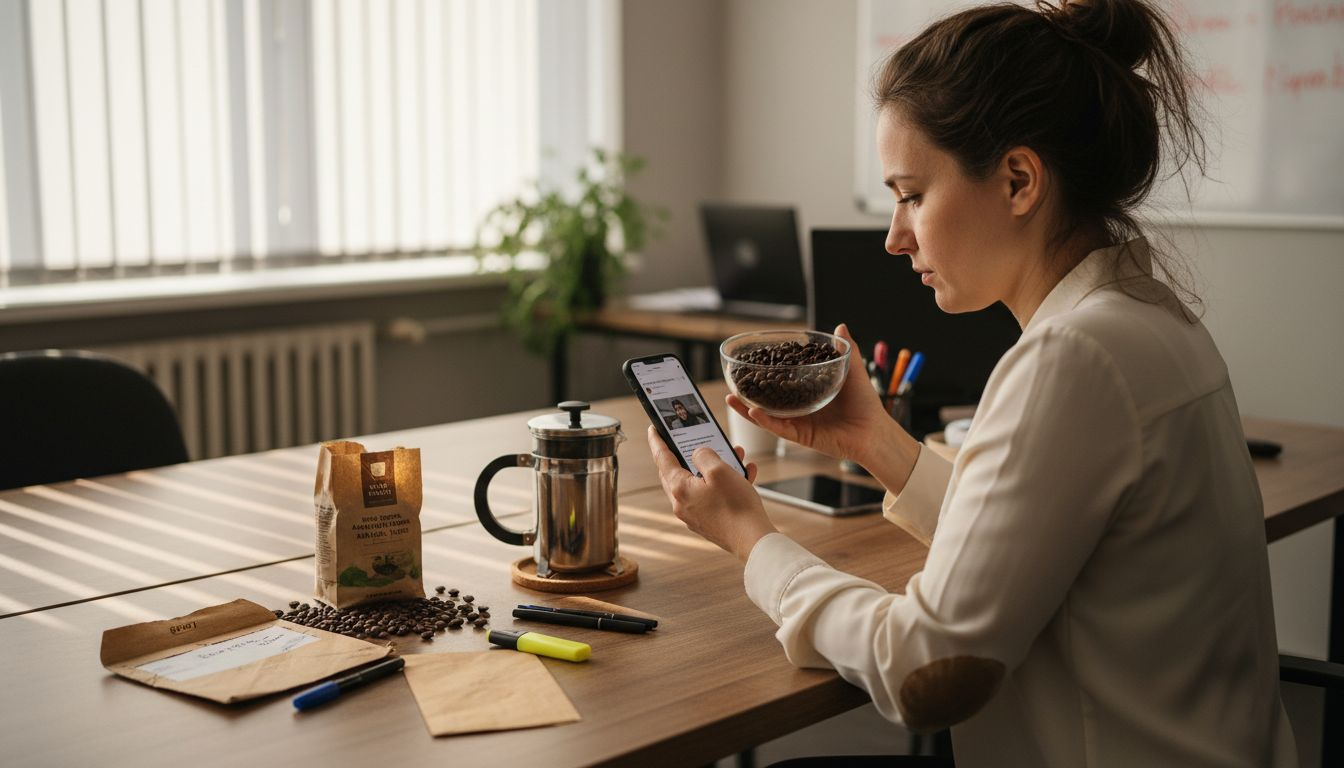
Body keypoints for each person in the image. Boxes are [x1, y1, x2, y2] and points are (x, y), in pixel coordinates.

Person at [644, 1, 1297, 766]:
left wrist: (750, 537)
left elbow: (928, 672)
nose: (895, 235)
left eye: (912, 194)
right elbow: (1031, 538)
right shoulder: (1151, 322)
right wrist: (874, 439)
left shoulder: (1073, 359)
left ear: (1019, 180)